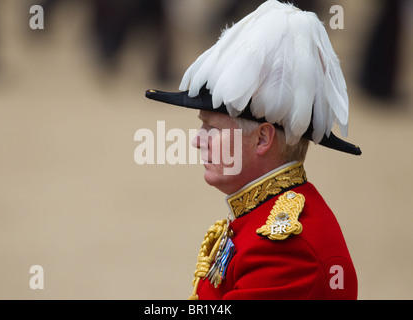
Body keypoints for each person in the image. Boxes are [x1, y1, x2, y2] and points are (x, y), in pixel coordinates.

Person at [145, 0, 361, 300]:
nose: (197, 140)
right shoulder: (260, 216)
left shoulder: (286, 251)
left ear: (262, 139)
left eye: (213, 129)